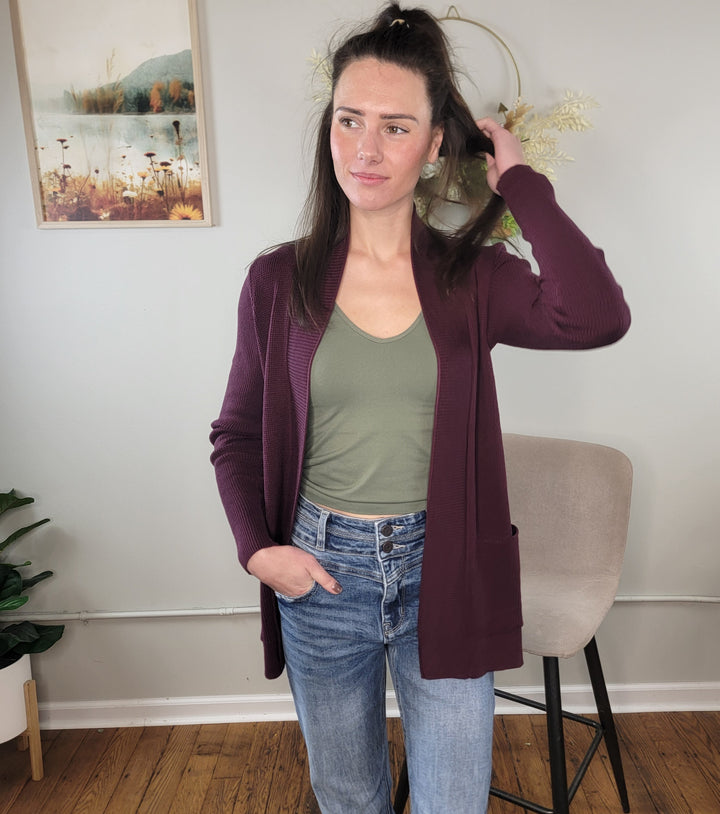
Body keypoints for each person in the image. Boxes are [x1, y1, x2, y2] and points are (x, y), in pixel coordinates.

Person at [210, 5, 630, 813]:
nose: (365, 149)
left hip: (449, 566)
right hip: (321, 574)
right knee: (348, 797)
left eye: (396, 127)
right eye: (349, 120)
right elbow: (239, 433)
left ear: (436, 145)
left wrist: (521, 183)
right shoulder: (278, 282)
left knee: (453, 802)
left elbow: (595, 316)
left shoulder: (474, 276)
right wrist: (258, 550)